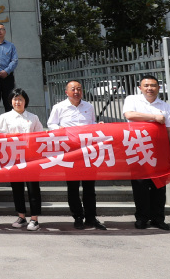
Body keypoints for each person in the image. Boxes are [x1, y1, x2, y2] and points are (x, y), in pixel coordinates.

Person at [123, 74, 170, 231]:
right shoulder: (132, 100)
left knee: (159, 186)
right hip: (137, 150)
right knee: (140, 186)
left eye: (153, 85)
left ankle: (158, 219)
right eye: (146, 85)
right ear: (140, 88)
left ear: (158, 88)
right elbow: (129, 115)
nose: (150, 88)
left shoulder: (165, 106)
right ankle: (142, 218)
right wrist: (154, 117)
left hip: (159, 151)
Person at [47, 80, 106, 230]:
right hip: (70, 152)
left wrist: (98, 126)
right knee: (73, 187)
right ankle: (78, 217)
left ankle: (91, 217)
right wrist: (59, 129)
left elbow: (92, 124)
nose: (76, 92)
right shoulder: (59, 107)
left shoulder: (89, 106)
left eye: (79, 89)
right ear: (66, 92)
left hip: (88, 151)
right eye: (73, 89)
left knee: (89, 187)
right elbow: (51, 124)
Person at [0, 88, 43, 231]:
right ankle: (21, 216)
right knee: (17, 188)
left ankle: (34, 219)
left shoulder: (33, 117)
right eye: (15, 99)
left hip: (30, 158)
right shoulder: (5, 117)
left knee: (33, 189)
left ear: (25, 101)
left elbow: (40, 136)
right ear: (11, 101)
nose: (17, 102)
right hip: (14, 158)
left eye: (20, 99)